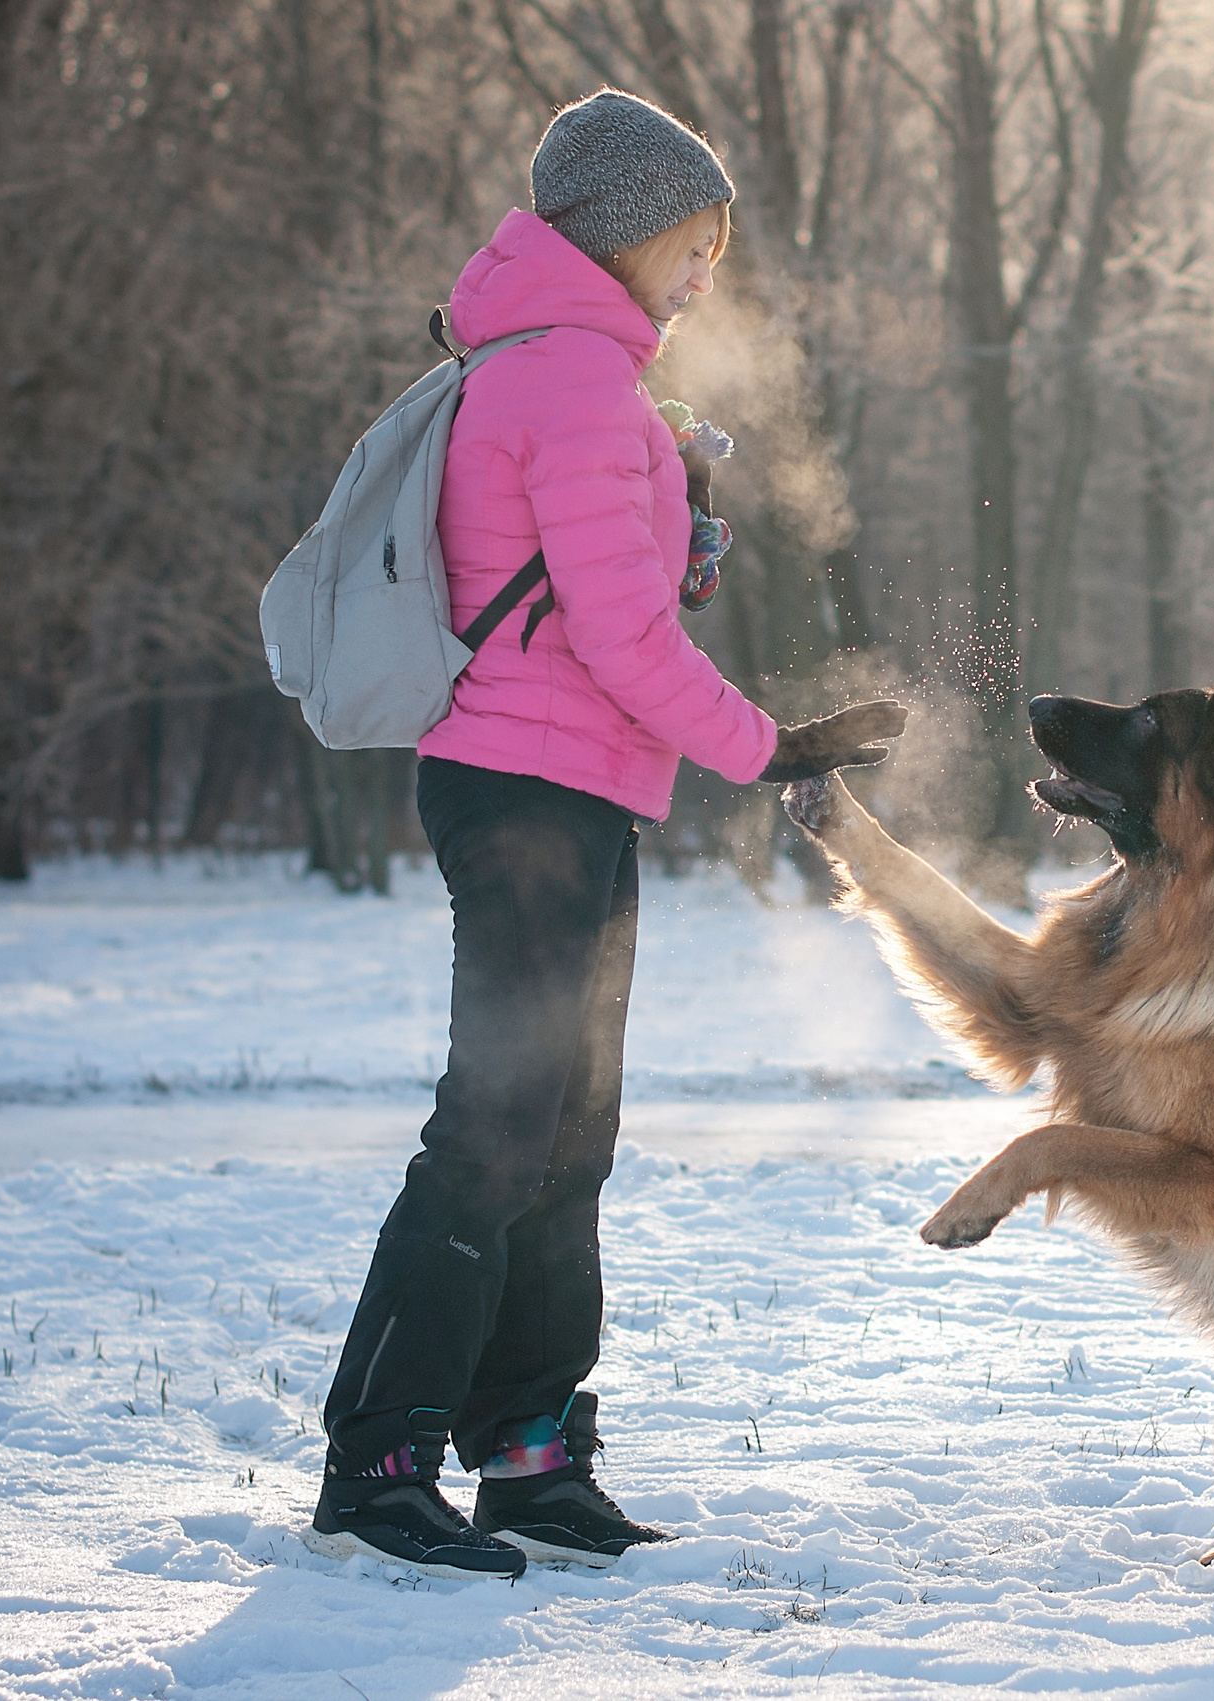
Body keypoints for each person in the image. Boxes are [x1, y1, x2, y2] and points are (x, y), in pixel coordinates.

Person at [307, 90, 904, 1580]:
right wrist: (777, 747)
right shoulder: (569, 381)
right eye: (693, 246)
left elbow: (629, 601)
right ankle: (380, 1459)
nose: (706, 276)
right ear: (623, 232)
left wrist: (681, 484)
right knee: (497, 1128)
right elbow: (627, 641)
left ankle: (529, 1457)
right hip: (527, 795)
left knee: (570, 1133)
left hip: (577, 791)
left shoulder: (579, 377)